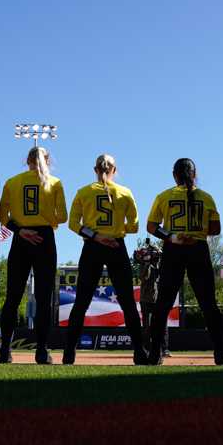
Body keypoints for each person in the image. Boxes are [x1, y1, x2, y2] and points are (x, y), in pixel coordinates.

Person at [65, 153, 147, 365]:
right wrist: (115, 231)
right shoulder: (125, 192)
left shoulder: (84, 192)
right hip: (116, 246)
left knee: (81, 301)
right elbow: (135, 225)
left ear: (95, 169)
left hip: (92, 246)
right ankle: (139, 351)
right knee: (128, 301)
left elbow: (73, 224)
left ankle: (68, 353)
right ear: (115, 170)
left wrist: (96, 235)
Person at [146, 158, 223, 365]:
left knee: (163, 303)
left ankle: (155, 354)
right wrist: (196, 234)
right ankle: (220, 352)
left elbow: (152, 226)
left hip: (174, 249)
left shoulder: (164, 196)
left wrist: (173, 236)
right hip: (198, 249)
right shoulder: (206, 197)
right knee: (208, 303)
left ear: (174, 175)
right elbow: (216, 229)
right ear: (195, 174)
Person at [0, 146, 67, 364]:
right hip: (44, 238)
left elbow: (1, 215)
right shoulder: (54, 183)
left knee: (12, 296)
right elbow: (62, 217)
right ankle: (42, 351)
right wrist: (47, 223)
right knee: (44, 298)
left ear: (26, 160)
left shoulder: (12, 182)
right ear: (47, 160)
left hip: (20, 237)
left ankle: (5, 350)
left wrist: (21, 230)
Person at [134, 238, 164, 355]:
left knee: (158, 326)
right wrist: (146, 262)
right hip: (146, 300)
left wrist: (155, 249)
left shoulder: (157, 266)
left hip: (156, 299)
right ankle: (146, 348)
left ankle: (160, 349)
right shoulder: (143, 266)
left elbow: (161, 257)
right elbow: (144, 277)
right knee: (146, 326)